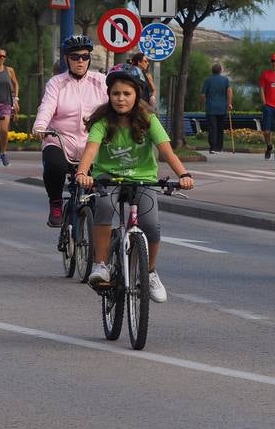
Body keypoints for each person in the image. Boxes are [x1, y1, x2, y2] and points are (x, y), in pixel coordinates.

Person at [74, 65, 194, 300]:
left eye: (126, 94)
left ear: (137, 95)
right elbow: (90, 151)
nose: (120, 99)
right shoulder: (102, 122)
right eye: (115, 93)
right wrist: (82, 173)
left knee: (151, 225)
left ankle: (149, 272)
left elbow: (167, 152)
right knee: (105, 208)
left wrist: (183, 175)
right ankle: (101, 265)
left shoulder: (148, 120)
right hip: (108, 180)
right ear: (109, 95)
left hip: (143, 180)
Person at [32, 35, 109, 228]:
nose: (80, 61)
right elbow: (47, 107)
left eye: (84, 56)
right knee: (54, 166)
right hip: (60, 140)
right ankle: (56, 203)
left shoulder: (101, 81)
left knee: (101, 180)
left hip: (92, 143)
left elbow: (113, 106)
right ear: (67, 59)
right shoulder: (56, 83)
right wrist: (40, 126)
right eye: (75, 57)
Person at [200, 62, 233, 153]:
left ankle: (213, 147)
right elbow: (229, 92)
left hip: (211, 108)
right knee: (220, 127)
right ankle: (219, 146)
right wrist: (229, 103)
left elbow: (203, 95)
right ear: (220, 70)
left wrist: (202, 104)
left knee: (212, 128)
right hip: (222, 108)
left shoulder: (207, 80)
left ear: (212, 71)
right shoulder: (225, 80)